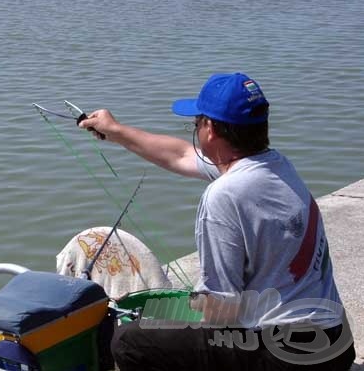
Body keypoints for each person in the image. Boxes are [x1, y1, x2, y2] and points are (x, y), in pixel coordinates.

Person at [79, 73, 356, 370]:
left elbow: (221, 313)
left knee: (130, 340)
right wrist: (116, 130)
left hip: (289, 357)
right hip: (335, 346)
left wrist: (189, 306)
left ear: (209, 129)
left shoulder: (223, 195)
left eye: (196, 123)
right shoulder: (275, 166)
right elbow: (180, 155)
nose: (195, 130)